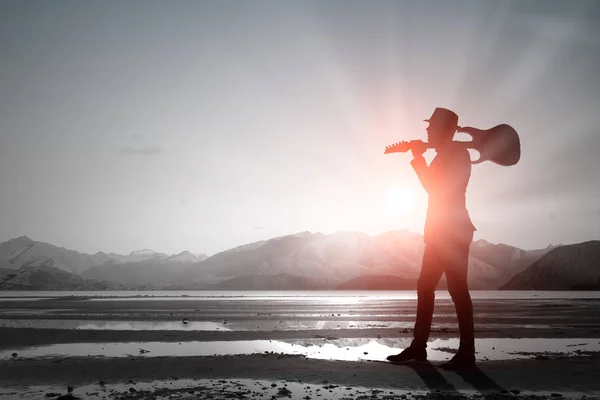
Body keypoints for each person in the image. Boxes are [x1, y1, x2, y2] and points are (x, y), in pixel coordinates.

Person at [386, 107, 477, 370]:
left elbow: (435, 188)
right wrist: (421, 157)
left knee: (457, 290)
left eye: (431, 127)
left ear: (443, 130)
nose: (426, 131)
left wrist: (417, 157)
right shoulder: (445, 154)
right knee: (425, 286)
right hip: (439, 232)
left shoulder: (457, 154)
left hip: (454, 232)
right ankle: (418, 347)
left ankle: (467, 354)